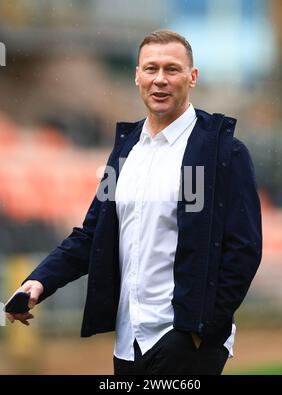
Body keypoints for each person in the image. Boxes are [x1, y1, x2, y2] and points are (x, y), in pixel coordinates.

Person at [7, 30, 262, 375]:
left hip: (186, 342)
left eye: (172, 69)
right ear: (137, 76)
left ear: (192, 77)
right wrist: (39, 282)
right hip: (129, 342)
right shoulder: (125, 153)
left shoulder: (222, 151)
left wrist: (201, 331)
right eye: (151, 69)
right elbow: (91, 234)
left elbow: (244, 249)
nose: (160, 79)